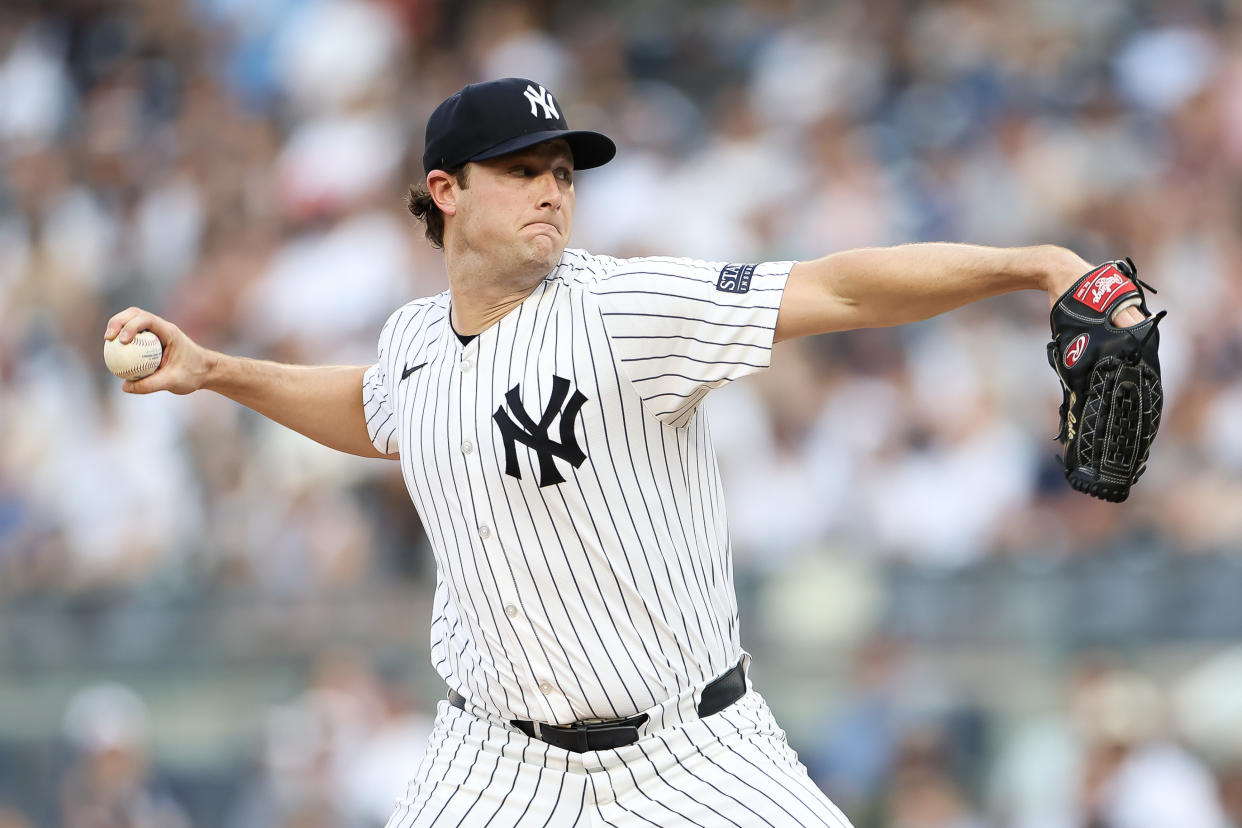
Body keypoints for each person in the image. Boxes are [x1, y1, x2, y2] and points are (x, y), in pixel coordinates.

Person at [106, 77, 1147, 826]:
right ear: (446, 190)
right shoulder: (414, 340)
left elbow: (837, 286)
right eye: (522, 171)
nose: (554, 190)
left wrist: (1030, 264)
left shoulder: (623, 308)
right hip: (493, 763)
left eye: (563, 171)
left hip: (690, 753)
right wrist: (219, 372)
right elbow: (380, 413)